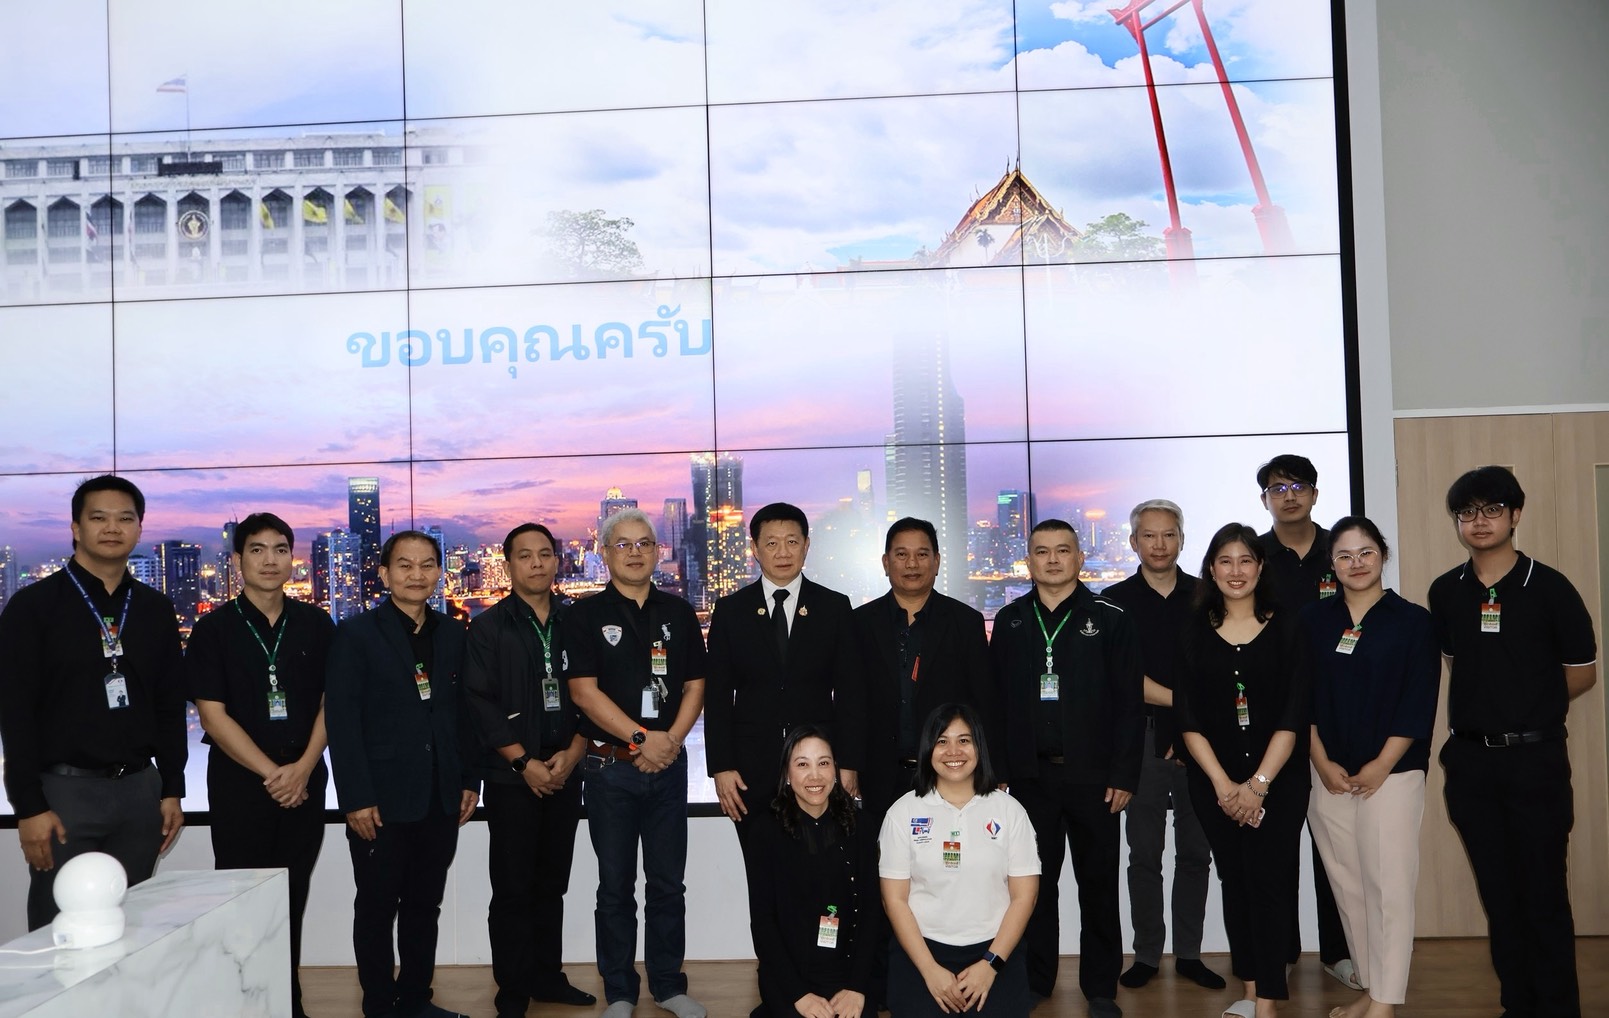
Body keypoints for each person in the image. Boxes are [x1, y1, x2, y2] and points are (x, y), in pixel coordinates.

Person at [1428, 466, 1596, 1018]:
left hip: (1536, 761)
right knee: (1499, 898)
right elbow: (1455, 661)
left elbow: (1582, 672)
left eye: (1492, 509)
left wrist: (1528, 703)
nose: (1479, 521)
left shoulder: (1550, 588)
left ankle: (1558, 1009)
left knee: (1544, 897)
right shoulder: (1446, 591)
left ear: (1515, 514)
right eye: (1467, 512)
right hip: (1471, 765)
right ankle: (1517, 1006)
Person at [0, 474, 186, 931]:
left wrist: (171, 788)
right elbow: (15, 713)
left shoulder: (155, 608)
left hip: (140, 792)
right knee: (58, 926)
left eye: (125, 518)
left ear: (139, 529)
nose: (112, 528)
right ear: (76, 528)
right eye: (99, 517)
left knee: (132, 925)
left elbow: (168, 704)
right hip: (63, 795)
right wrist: (28, 807)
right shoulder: (33, 607)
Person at [326, 530, 480, 1018]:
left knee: (424, 905)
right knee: (376, 907)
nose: (417, 575)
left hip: (440, 794)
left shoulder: (454, 633)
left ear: (439, 572)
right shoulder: (356, 635)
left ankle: (416, 998)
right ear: (385, 573)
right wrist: (355, 797)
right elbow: (342, 723)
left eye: (427, 565)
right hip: (380, 799)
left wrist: (469, 780)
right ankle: (378, 1004)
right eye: (405, 565)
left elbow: (464, 714)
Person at [993, 520, 1141, 1018]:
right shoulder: (1010, 621)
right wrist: (1000, 771)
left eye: (1063, 551)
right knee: (1034, 885)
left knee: (1098, 884)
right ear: (1028, 561)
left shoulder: (1110, 618)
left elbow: (1129, 704)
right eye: (1042, 551)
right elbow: (997, 701)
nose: (1052, 560)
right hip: (1029, 779)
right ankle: (1037, 981)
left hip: (1096, 780)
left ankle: (1100, 988)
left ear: (1080, 558)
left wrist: (1124, 775)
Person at [188, 512, 334, 1018]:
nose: (270, 560)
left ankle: (287, 1004)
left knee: (291, 897)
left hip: (305, 782)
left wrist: (304, 767)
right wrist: (275, 774)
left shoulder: (317, 624)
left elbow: (331, 703)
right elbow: (213, 715)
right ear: (237, 560)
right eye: (257, 549)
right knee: (242, 902)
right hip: (240, 785)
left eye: (280, 549)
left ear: (293, 559)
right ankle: (243, 1006)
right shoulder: (214, 629)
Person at [565, 508, 708, 1018]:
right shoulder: (583, 615)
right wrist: (643, 739)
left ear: (657, 551)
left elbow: (695, 685)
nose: (634, 552)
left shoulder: (679, 612)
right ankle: (620, 991)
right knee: (615, 888)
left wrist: (669, 742)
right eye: (622, 544)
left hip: (667, 769)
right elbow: (583, 693)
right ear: (604, 553)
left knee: (668, 885)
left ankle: (668, 985)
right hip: (610, 771)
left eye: (644, 543)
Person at [1302, 516, 1439, 1018]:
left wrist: (1382, 764)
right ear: (1331, 565)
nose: (1356, 563)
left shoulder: (1413, 621)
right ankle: (1370, 984)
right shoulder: (1312, 621)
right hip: (1328, 773)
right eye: (1344, 555)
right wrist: (1320, 760)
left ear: (1383, 554)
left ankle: (1385, 1001)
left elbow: (1419, 699)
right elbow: (1300, 697)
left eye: (1365, 552)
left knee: (1389, 887)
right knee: (1349, 886)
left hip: (1393, 774)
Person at [1174, 523, 1310, 1018]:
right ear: (1211, 569)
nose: (1236, 571)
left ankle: (1268, 999)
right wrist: (1224, 786)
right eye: (1225, 561)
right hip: (1214, 783)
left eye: (1246, 560)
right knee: (1235, 881)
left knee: (1269, 884)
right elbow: (1186, 717)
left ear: (1260, 567)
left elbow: (1294, 712)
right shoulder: (1192, 629)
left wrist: (1258, 786)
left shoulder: (1288, 625)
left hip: (1280, 780)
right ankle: (1251, 989)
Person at [463, 523, 594, 1016]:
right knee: (513, 888)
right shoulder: (488, 627)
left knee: (552, 884)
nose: (537, 563)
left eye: (545, 554)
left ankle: (547, 977)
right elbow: (479, 702)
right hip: (511, 777)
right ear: (509, 564)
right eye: (525, 555)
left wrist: (575, 752)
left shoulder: (576, 621)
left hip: (565, 769)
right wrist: (523, 761)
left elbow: (594, 692)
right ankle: (513, 989)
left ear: (558, 561)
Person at [1100, 501, 1224, 992]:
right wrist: (1183, 710)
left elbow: (1219, 670)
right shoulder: (1113, 601)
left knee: (1196, 853)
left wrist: (1188, 722)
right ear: (1134, 542)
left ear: (1181, 540)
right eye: (1148, 536)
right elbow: (1121, 678)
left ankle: (1189, 954)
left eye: (1168, 535)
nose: (1159, 544)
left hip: (1203, 742)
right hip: (1144, 739)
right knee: (1144, 855)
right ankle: (1148, 954)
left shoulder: (1207, 596)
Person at [705, 502, 863, 847]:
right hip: (750, 770)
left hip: (818, 769)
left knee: (819, 864)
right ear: (754, 549)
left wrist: (848, 763)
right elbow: (717, 696)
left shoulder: (834, 608)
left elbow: (851, 693)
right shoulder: (731, 611)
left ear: (806, 545)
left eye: (792, 542)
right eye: (772, 543)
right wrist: (721, 767)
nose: (783, 552)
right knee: (761, 865)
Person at [1254, 453, 1353, 988]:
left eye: (1298, 486)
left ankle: (1339, 950)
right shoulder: (1255, 555)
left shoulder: (1340, 549)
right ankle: (1284, 950)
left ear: (1315, 493)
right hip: (1270, 716)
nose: (1289, 495)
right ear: (1265, 499)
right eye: (1278, 488)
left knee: (1334, 842)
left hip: (1335, 708)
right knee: (1276, 844)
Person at [879, 703, 1038, 1017]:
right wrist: (929, 970)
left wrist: (990, 965)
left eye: (964, 740)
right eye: (942, 741)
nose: (953, 751)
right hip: (921, 952)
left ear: (979, 747)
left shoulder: (1010, 811)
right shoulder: (902, 812)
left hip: (995, 951)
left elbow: (1025, 897)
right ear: (928, 749)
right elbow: (894, 900)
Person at [853, 517, 995, 824]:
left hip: (950, 774)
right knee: (881, 854)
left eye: (922, 554)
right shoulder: (859, 623)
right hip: (878, 776)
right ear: (886, 562)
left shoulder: (965, 623)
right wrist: (849, 765)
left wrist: (991, 770)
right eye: (901, 554)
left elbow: (983, 701)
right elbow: (851, 701)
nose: (912, 564)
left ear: (937, 561)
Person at [749, 724, 881, 1018]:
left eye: (823, 763)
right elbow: (763, 921)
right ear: (786, 773)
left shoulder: (861, 826)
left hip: (848, 973)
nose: (815, 776)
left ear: (835, 769)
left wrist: (857, 987)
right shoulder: (765, 831)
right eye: (802, 765)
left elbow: (872, 910)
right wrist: (799, 995)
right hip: (789, 978)